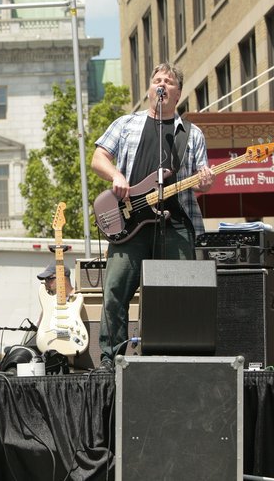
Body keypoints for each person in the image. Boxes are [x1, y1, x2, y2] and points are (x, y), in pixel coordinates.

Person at [90, 62, 214, 371]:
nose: (162, 85)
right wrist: (117, 176)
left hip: (176, 224)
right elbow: (98, 157)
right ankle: (112, 359)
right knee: (115, 291)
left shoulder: (191, 133)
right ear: (150, 89)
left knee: (181, 293)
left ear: (178, 93)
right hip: (130, 222)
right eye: (157, 80)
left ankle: (177, 357)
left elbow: (201, 181)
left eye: (168, 81)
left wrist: (206, 181)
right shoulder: (126, 123)